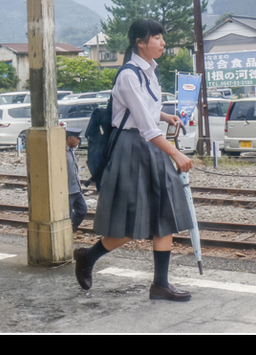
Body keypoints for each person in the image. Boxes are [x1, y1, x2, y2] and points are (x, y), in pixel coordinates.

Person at [73, 18, 195, 302]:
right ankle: (88, 256)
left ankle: (160, 285)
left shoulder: (150, 71)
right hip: (133, 149)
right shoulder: (129, 74)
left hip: (152, 147)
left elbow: (147, 112)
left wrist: (165, 115)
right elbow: (144, 125)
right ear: (140, 42)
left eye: (162, 37)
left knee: (165, 215)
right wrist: (175, 153)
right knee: (131, 222)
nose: (162, 42)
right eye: (156, 37)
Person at [65, 127, 87, 232]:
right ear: (69, 138)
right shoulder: (62, 152)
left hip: (76, 189)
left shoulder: (71, 151)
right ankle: (67, 232)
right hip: (67, 191)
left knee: (82, 210)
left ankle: (71, 229)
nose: (78, 141)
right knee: (67, 215)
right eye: (76, 138)